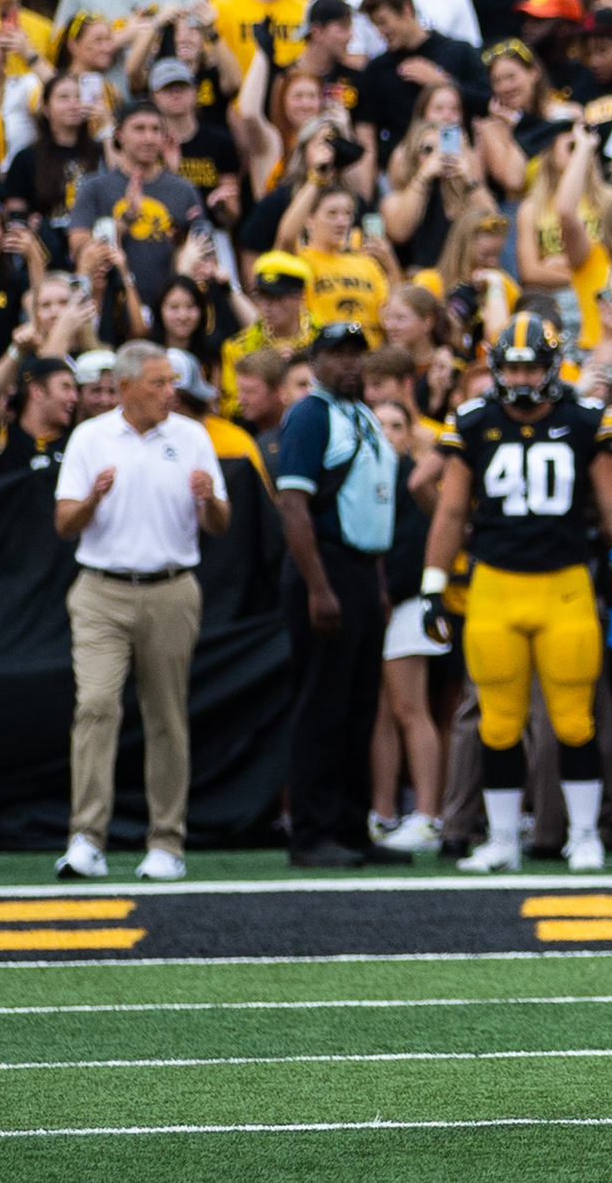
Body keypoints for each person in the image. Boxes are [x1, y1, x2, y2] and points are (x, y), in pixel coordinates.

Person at [417, 319, 612, 872]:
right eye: (511, 366)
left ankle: (584, 834)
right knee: (498, 720)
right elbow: (449, 510)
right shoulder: (474, 421)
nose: (520, 377)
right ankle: (501, 841)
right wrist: (432, 586)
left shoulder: (585, 420)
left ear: (551, 366)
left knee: (574, 720)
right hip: (494, 583)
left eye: (530, 366)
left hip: (564, 582)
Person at [52, 339, 229, 882]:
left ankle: (167, 843)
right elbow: (64, 524)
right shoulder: (90, 436)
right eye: (158, 383)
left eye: (171, 382)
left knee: (167, 717)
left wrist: (210, 500)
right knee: (97, 705)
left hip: (172, 587)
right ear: (125, 388)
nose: (169, 393)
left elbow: (221, 525)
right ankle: (86, 839)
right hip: (101, 590)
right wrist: (93, 500)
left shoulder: (193, 436)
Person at [268, 324, 396, 868]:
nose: (348, 364)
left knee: (359, 706)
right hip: (326, 564)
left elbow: (371, 502)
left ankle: (351, 825)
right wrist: (319, 586)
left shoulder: (361, 415)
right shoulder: (309, 415)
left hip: (362, 568)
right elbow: (293, 505)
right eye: (336, 355)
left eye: (355, 355)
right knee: (322, 704)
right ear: (315, 360)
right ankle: (312, 832)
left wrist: (378, 585)